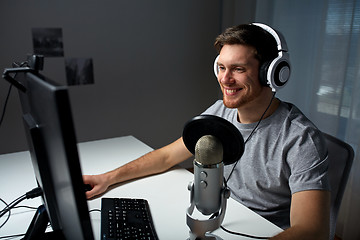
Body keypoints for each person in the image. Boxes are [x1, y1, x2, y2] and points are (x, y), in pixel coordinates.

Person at [83, 23, 330, 240]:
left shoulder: (300, 139)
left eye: (238, 69)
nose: (225, 79)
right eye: (221, 67)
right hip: (219, 219)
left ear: (271, 73)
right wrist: (107, 178)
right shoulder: (220, 111)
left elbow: (312, 230)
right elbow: (167, 156)